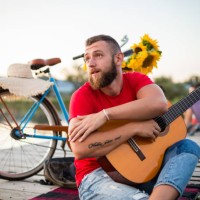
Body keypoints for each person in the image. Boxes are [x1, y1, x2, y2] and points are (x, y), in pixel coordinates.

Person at [68, 34, 200, 200]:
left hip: (144, 172)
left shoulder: (136, 80)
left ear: (118, 58)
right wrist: (133, 128)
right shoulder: (82, 96)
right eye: (87, 59)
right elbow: (79, 149)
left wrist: (105, 115)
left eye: (98, 55)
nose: (91, 63)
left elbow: (159, 104)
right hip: (98, 177)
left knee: (188, 147)